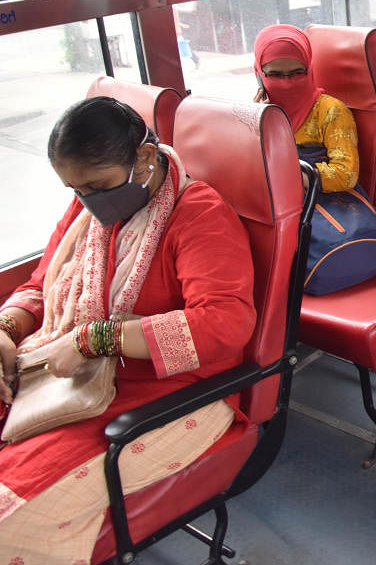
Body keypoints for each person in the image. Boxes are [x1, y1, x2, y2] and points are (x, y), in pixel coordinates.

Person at [0, 97, 255, 564]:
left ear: (142, 156)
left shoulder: (197, 214)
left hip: (171, 392)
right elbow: (44, 284)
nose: (88, 201)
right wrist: (7, 328)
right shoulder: (88, 212)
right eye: (76, 189)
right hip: (73, 378)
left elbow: (225, 324)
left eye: (97, 186)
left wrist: (95, 338)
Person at [253, 23, 359, 193]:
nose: (286, 84)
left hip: (321, 202)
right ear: (259, 74)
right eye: (275, 75)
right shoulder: (255, 115)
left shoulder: (330, 111)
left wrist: (287, 175)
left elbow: (346, 175)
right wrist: (254, 129)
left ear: (309, 70)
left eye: (296, 73)